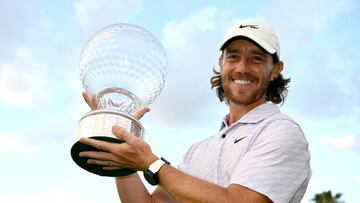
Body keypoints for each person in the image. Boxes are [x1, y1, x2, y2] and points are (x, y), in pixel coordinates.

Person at [79, 18, 311, 203]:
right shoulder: (197, 151)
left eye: (256, 58)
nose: (242, 67)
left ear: (275, 70)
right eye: (233, 56)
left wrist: (151, 163)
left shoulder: (281, 132)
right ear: (221, 63)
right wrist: (123, 157)